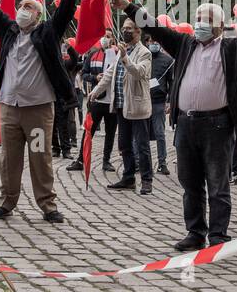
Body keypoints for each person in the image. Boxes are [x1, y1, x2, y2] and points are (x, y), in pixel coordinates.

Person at [124, 0, 237, 251]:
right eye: (198, 19)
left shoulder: (232, 48)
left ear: (220, 26)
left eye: (207, 21)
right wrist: (128, 7)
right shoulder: (185, 44)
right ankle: (195, 232)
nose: (200, 24)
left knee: (218, 184)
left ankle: (218, 235)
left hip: (217, 124)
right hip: (186, 124)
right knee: (190, 183)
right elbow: (154, 27)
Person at [0, 0, 83, 223]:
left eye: (29, 7)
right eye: (21, 6)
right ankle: (6, 202)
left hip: (38, 109)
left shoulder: (47, 32)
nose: (22, 9)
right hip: (10, 109)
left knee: (39, 157)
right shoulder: (8, 30)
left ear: (37, 15)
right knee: (9, 160)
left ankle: (47, 205)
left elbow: (66, 11)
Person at [91, 14, 153, 194]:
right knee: (124, 144)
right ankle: (128, 177)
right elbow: (110, 74)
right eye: (124, 28)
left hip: (137, 106)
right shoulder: (122, 51)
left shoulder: (144, 52)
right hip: (120, 104)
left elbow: (140, 72)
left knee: (142, 145)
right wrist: (95, 92)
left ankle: (147, 180)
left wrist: (125, 58)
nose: (125, 31)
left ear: (138, 31)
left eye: (129, 28)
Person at [68, 41, 117, 172]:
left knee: (110, 133)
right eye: (103, 37)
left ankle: (106, 161)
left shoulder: (118, 54)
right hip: (97, 100)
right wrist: (95, 77)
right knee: (88, 131)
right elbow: (84, 74)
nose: (106, 39)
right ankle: (80, 159)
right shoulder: (93, 55)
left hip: (113, 101)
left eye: (108, 36)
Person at [147, 33, 173, 175]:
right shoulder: (144, 56)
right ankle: (141, 162)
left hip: (159, 102)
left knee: (160, 134)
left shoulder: (168, 60)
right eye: (151, 41)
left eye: (156, 41)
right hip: (143, 102)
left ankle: (162, 163)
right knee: (141, 134)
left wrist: (169, 101)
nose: (154, 43)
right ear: (148, 41)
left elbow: (172, 82)